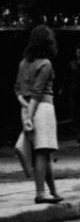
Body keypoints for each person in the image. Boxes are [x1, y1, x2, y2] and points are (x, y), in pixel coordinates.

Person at [14, 25, 62, 204]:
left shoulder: (23, 63)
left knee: (43, 152)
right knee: (43, 152)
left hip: (26, 108)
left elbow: (18, 89)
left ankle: (53, 191)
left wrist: (25, 109)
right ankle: (41, 193)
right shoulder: (46, 64)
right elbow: (38, 91)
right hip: (43, 109)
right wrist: (30, 117)